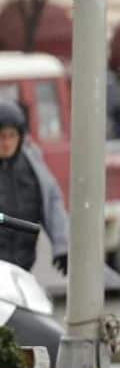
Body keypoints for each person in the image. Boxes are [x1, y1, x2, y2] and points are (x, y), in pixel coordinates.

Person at [0, 101, 69, 274]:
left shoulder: (33, 166)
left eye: (11, 136)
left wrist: (63, 246)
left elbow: (52, 200)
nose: (6, 143)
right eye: (1, 136)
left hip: (23, 270)